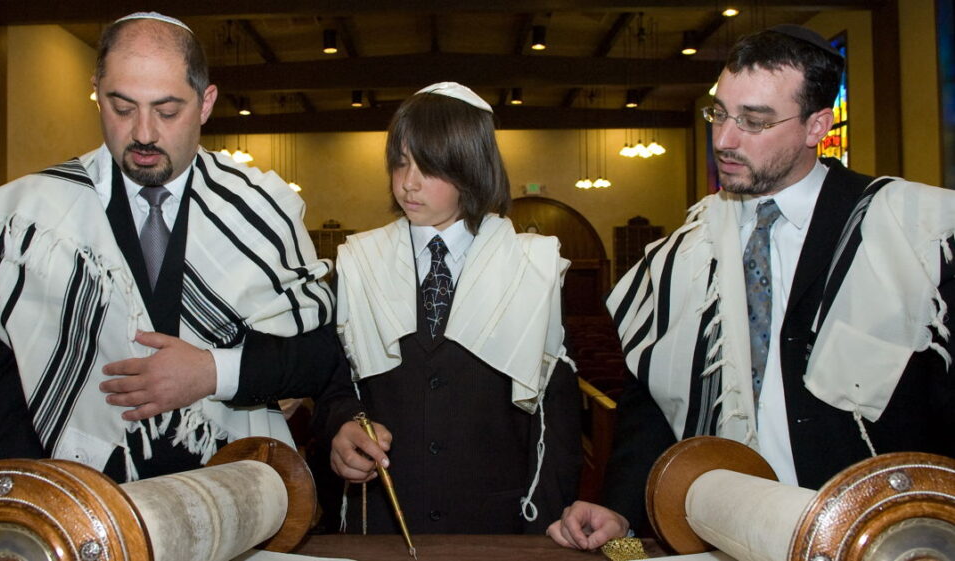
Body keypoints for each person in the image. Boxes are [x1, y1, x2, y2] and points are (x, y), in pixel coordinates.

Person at [548, 24, 955, 550]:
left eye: (755, 121)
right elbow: (654, 398)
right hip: (728, 532)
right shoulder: (685, 253)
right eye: (719, 113)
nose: (725, 140)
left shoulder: (914, 233)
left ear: (817, 126)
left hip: (879, 535)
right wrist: (619, 509)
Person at [0, 12, 344, 482]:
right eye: (121, 107)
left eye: (167, 110)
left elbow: (319, 355)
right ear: (96, 89)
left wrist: (210, 372)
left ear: (206, 103)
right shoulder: (26, 222)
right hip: (83, 494)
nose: (143, 133)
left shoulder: (261, 211)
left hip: (228, 486)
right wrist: (25, 502)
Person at [311, 82, 582, 534]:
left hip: (497, 523)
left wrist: (547, 525)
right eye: (399, 163)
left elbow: (555, 417)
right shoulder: (358, 263)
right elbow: (333, 387)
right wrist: (341, 427)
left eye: (428, 167)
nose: (408, 183)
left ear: (471, 170)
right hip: (383, 516)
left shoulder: (532, 266)